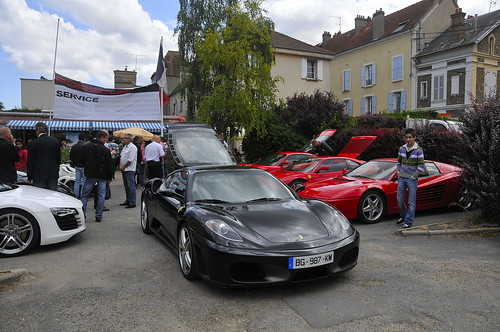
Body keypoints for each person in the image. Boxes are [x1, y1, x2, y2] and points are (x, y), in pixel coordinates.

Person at [80, 130, 114, 222]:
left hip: (90, 173)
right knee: (101, 195)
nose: (106, 140)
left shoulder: (86, 147)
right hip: (102, 175)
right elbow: (108, 165)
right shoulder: (105, 150)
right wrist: (110, 177)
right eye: (106, 138)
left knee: (84, 195)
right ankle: (99, 215)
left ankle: (83, 214)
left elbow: (81, 160)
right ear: (102, 138)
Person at [396, 128, 425, 229]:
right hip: (402, 178)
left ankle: (408, 221)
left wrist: (414, 176)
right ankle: (404, 216)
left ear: (414, 138)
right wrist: (398, 172)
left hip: (412, 179)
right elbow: (399, 162)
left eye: (410, 137)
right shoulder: (401, 149)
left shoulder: (419, 150)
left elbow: (421, 166)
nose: (408, 139)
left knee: (411, 202)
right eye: (406, 137)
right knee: (399, 199)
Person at [27, 122, 61, 190]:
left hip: (38, 175)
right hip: (52, 173)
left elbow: (30, 161)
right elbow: (58, 158)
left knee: (39, 197)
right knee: (51, 195)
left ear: (37, 131)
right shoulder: (55, 142)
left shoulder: (33, 143)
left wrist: (29, 177)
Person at [119, 133, 137, 208]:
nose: (124, 139)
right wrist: (120, 165)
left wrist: (124, 166)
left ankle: (132, 202)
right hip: (124, 169)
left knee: (131, 185)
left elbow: (130, 159)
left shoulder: (132, 147)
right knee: (126, 185)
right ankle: (128, 200)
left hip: (129, 169)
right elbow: (121, 156)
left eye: (125, 138)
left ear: (130, 139)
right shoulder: (125, 147)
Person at [70, 133, 87, 198]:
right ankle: (83, 195)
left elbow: (71, 157)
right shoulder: (85, 146)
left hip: (77, 165)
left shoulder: (74, 146)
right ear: (84, 139)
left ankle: (76, 195)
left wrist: (75, 162)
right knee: (84, 181)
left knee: (77, 180)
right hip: (84, 165)